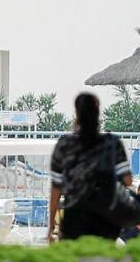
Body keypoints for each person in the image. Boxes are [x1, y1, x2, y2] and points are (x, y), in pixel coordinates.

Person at [49, 92, 132, 241]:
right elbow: (127, 180)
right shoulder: (112, 143)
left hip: (75, 220)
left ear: (76, 113)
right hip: (106, 219)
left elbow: (56, 187)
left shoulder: (65, 144)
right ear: (98, 112)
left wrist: (51, 225)